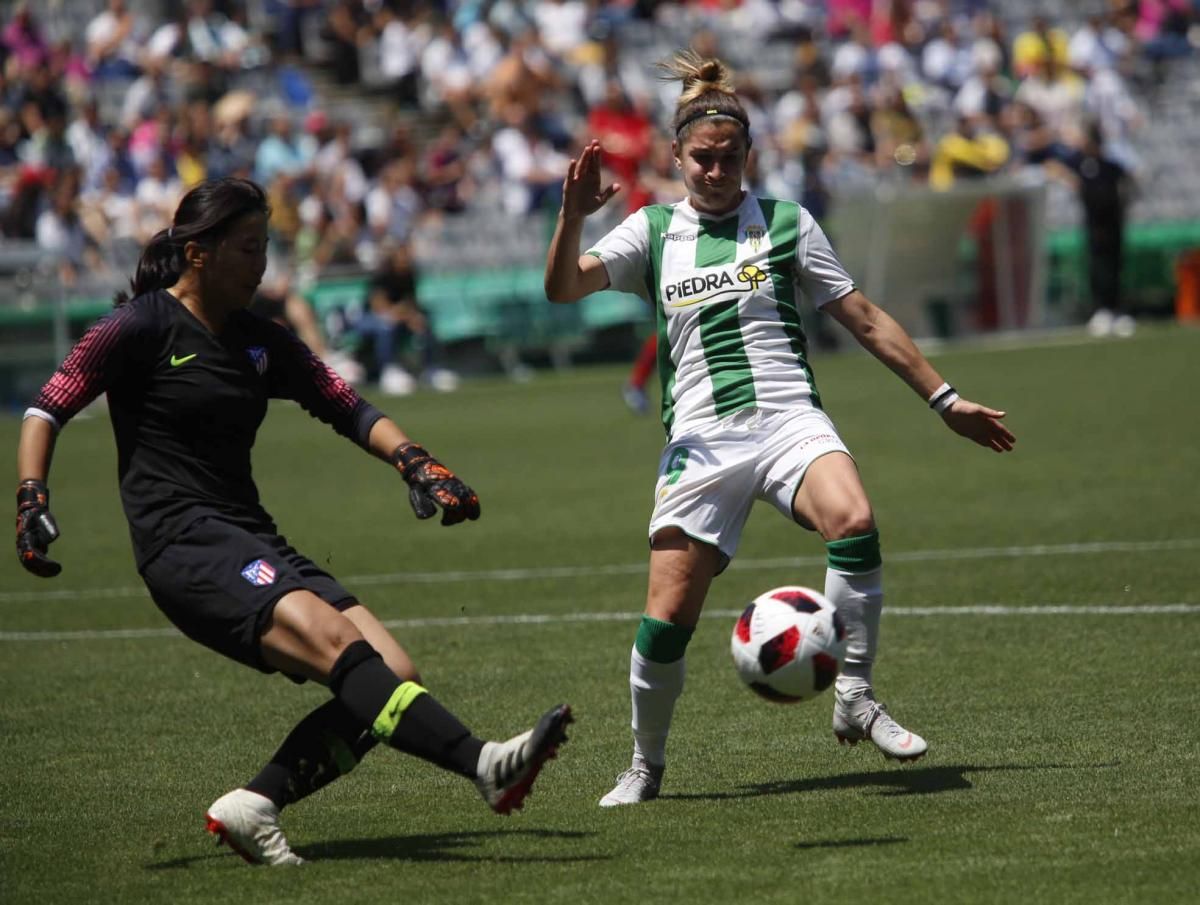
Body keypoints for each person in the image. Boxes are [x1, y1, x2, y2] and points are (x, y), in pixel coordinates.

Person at [15, 177, 572, 864]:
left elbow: (344, 403)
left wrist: (416, 462)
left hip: (250, 534)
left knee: (393, 668)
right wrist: (31, 497)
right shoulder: (143, 325)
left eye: (266, 247)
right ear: (199, 254)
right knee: (337, 641)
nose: (262, 264)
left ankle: (256, 803)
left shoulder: (259, 338)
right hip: (182, 543)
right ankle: (484, 763)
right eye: (249, 248)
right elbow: (48, 405)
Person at [543, 52, 1015, 807]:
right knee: (666, 618)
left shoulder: (788, 223)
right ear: (676, 157)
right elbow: (563, 288)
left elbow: (862, 316)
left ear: (749, 156)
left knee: (854, 518)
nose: (716, 170)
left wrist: (944, 398)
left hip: (789, 416)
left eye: (730, 158)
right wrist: (572, 217)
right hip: (701, 439)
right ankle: (645, 765)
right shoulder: (652, 231)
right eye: (702, 158)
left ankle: (854, 695)